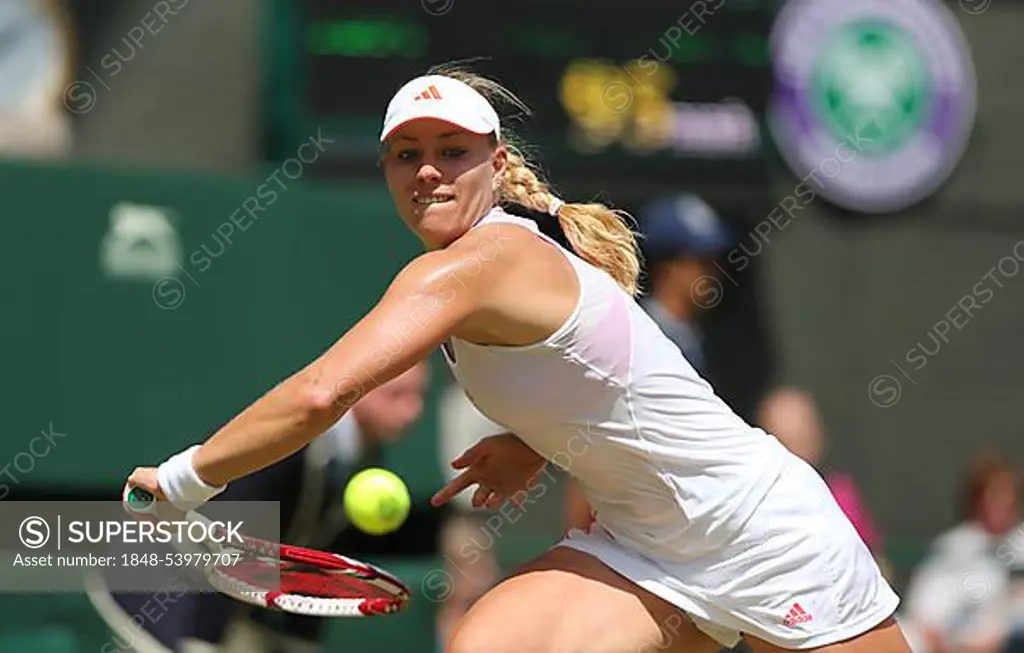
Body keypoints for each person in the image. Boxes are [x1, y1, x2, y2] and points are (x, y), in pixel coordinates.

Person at [123, 64, 911, 653]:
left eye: (451, 150)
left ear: (497, 165)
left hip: (766, 536)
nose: (427, 169)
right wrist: (535, 440)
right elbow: (609, 376)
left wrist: (188, 477)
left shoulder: (477, 264)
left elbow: (323, 392)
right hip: (642, 546)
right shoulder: (505, 254)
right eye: (406, 154)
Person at [92, 362, 428, 653]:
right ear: (360, 390)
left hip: (230, 603)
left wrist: (300, 643)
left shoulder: (365, 458)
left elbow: (316, 563)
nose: (413, 411)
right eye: (396, 395)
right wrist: (202, 642)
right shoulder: (292, 444)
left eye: (419, 395)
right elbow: (229, 541)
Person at [900, 450, 1021, 653]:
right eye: (995, 494)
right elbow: (925, 616)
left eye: (1008, 494)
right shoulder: (955, 547)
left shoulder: (1020, 544)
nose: (1003, 502)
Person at [756, 387, 890, 570]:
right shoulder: (752, 506)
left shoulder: (842, 495)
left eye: (804, 435)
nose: (800, 451)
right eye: (788, 442)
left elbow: (877, 562)